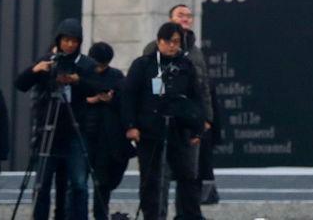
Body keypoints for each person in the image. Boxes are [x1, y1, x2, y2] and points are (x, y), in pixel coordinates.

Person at [14, 17, 101, 220]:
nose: (69, 45)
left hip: (75, 128)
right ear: (58, 40)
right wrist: (36, 70)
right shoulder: (47, 61)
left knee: (79, 182)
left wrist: (77, 80)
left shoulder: (86, 65)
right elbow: (21, 84)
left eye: (74, 41)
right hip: (48, 130)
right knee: (42, 184)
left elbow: (98, 86)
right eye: (66, 40)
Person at [121, 21, 205, 220]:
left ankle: (188, 215)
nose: (172, 46)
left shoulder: (185, 65)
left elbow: (195, 97)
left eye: (176, 42)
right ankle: (154, 215)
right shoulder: (143, 64)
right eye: (168, 41)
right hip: (150, 130)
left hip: (178, 128)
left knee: (187, 176)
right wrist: (130, 126)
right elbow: (128, 95)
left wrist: (197, 128)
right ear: (159, 42)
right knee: (151, 179)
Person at [142, 4, 216, 205]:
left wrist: (207, 117)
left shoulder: (195, 52)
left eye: (188, 15)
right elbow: (147, 84)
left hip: (189, 119)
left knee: (189, 172)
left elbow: (203, 88)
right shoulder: (153, 48)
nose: (185, 18)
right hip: (163, 118)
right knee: (162, 174)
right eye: (180, 15)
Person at [83, 42, 132, 220]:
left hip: (108, 135)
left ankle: (100, 215)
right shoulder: (82, 75)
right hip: (85, 132)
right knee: (79, 181)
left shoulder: (116, 77)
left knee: (104, 181)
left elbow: (124, 102)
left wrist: (110, 99)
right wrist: (92, 100)